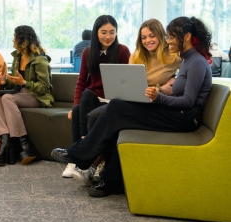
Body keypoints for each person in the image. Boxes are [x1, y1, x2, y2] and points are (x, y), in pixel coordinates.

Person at [52, 16, 212, 198]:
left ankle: (80, 155)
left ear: (188, 37)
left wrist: (158, 97)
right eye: (167, 37)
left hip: (184, 118)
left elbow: (188, 102)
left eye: (171, 37)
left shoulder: (196, 62)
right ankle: (107, 178)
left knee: (117, 111)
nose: (168, 41)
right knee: (117, 112)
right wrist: (162, 94)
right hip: (175, 113)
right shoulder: (188, 60)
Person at [65, 18, 181, 185]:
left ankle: (83, 159)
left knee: (101, 115)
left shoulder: (173, 57)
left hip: (153, 104)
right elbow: (128, 82)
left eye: (152, 36)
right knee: (86, 107)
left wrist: (172, 83)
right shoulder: (137, 56)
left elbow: (190, 71)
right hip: (133, 100)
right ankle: (86, 160)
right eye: (144, 37)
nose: (148, 40)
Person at [62, 15, 131, 180]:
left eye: (112, 32)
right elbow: (81, 82)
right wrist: (74, 106)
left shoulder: (122, 51)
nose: (108, 36)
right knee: (80, 106)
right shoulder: (88, 52)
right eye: (104, 32)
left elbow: (128, 80)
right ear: (96, 33)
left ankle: (82, 152)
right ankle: (79, 154)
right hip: (93, 98)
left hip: (114, 100)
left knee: (82, 107)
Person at [0, 25, 54, 166]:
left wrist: (25, 83)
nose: (13, 41)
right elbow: (14, 84)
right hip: (20, 94)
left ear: (23, 40)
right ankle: (5, 141)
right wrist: (4, 81)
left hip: (37, 97)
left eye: (15, 37)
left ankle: (25, 145)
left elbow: (44, 88)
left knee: (7, 98)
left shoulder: (40, 60)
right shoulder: (17, 57)